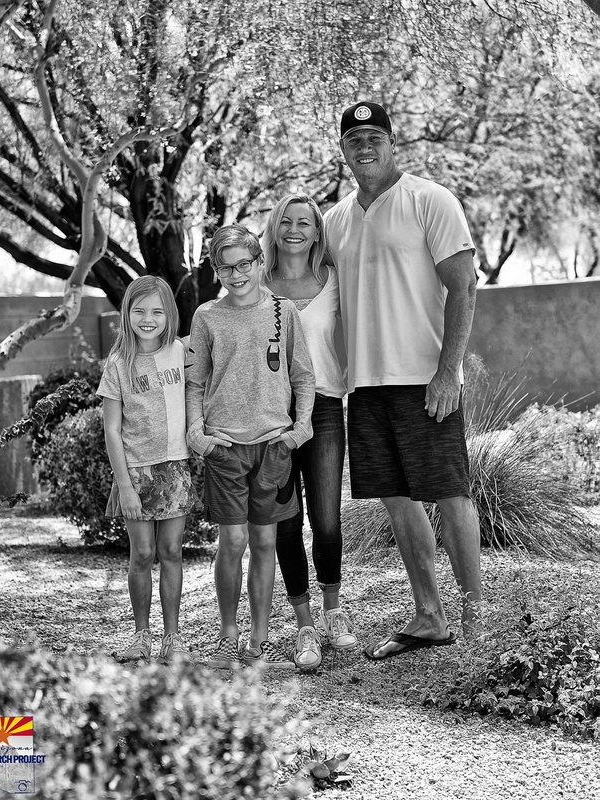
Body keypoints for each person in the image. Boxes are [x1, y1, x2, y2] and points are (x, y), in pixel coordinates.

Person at [323, 101, 482, 659]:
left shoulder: (430, 199)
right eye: (354, 139)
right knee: (396, 500)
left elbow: (463, 287)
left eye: (375, 136)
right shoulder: (335, 220)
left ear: (393, 143)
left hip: (425, 379)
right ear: (343, 151)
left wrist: (448, 372)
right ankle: (430, 616)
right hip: (364, 385)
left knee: (450, 494)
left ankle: (477, 618)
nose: (365, 146)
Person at [185, 223, 315, 670]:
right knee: (233, 540)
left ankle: (258, 639)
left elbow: (302, 376)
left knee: (264, 540)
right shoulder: (207, 317)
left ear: (260, 262)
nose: (236, 274)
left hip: (274, 446)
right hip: (225, 447)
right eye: (226, 267)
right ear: (216, 271)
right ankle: (227, 635)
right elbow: (195, 382)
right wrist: (198, 434)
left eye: (244, 264)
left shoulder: (283, 311)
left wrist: (300, 430)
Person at [262, 193, 357, 670]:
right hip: (271, 415)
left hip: (323, 407)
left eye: (305, 222)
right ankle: (304, 625)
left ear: (318, 232)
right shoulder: (255, 284)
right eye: (286, 221)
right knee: (285, 522)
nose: (295, 229)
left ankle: (333, 611)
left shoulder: (334, 280)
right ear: (274, 229)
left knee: (326, 519)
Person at [97, 275, 199, 665]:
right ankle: (141, 637)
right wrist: (124, 486)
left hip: (174, 467)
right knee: (142, 553)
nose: (147, 319)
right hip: (135, 472)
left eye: (157, 311)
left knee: (171, 551)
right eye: (139, 311)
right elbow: (111, 428)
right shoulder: (118, 363)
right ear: (127, 313)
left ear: (169, 314)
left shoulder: (181, 352)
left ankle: (172, 639)